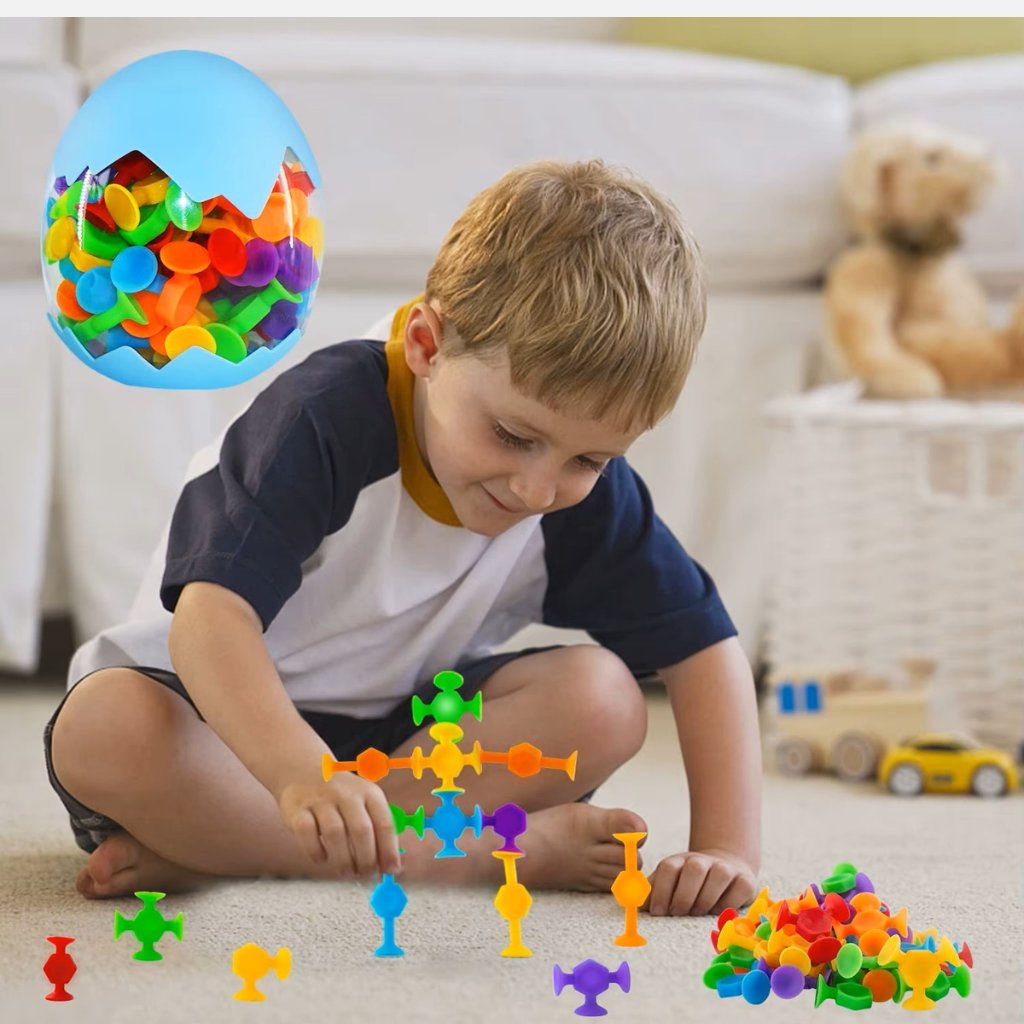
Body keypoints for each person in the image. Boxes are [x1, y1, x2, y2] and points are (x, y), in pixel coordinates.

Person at [45, 159, 761, 917]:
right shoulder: (323, 417)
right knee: (103, 728)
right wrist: (301, 776)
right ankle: (464, 859)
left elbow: (704, 650)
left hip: (400, 748)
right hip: (217, 729)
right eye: (512, 435)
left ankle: (236, 851)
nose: (538, 490)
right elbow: (209, 622)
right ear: (426, 345)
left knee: (607, 700)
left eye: (588, 460)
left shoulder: (573, 493)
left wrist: (728, 850)